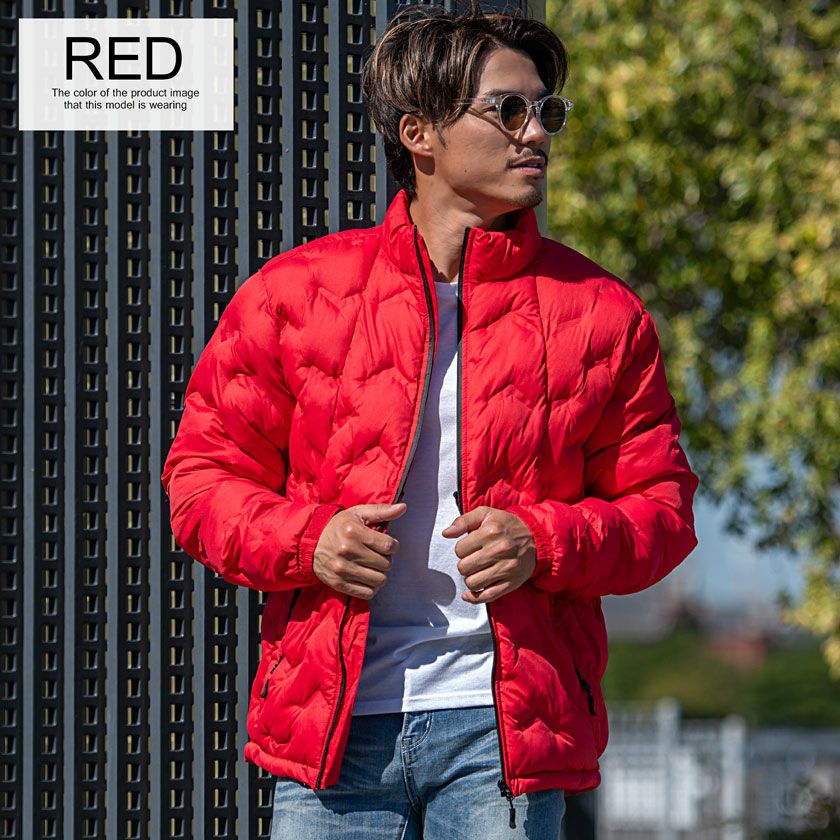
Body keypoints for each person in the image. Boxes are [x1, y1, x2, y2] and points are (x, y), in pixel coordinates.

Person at [160, 3, 699, 838]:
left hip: (504, 734)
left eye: (546, 111)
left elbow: (662, 511)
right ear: (419, 133)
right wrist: (310, 539)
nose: (535, 133)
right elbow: (201, 482)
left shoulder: (601, 313)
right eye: (507, 109)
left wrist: (544, 542)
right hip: (334, 735)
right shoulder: (295, 295)